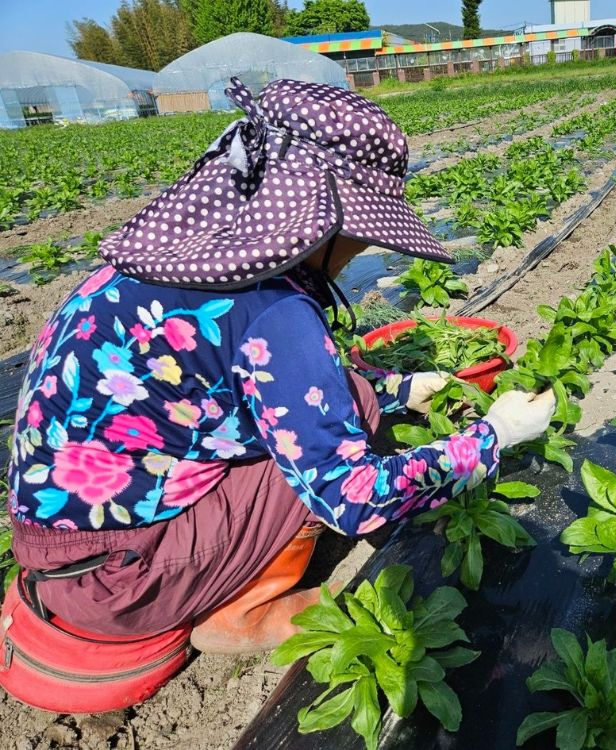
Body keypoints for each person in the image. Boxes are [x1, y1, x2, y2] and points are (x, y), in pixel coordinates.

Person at [4, 78, 556, 655]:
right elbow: (353, 497)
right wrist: (493, 435)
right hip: (124, 582)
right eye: (358, 232)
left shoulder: (171, 252)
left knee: (347, 401)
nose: (361, 249)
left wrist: (398, 388)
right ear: (314, 219)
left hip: (61, 546)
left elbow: (233, 389)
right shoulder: (274, 312)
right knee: (336, 439)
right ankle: (241, 609)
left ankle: (221, 576)